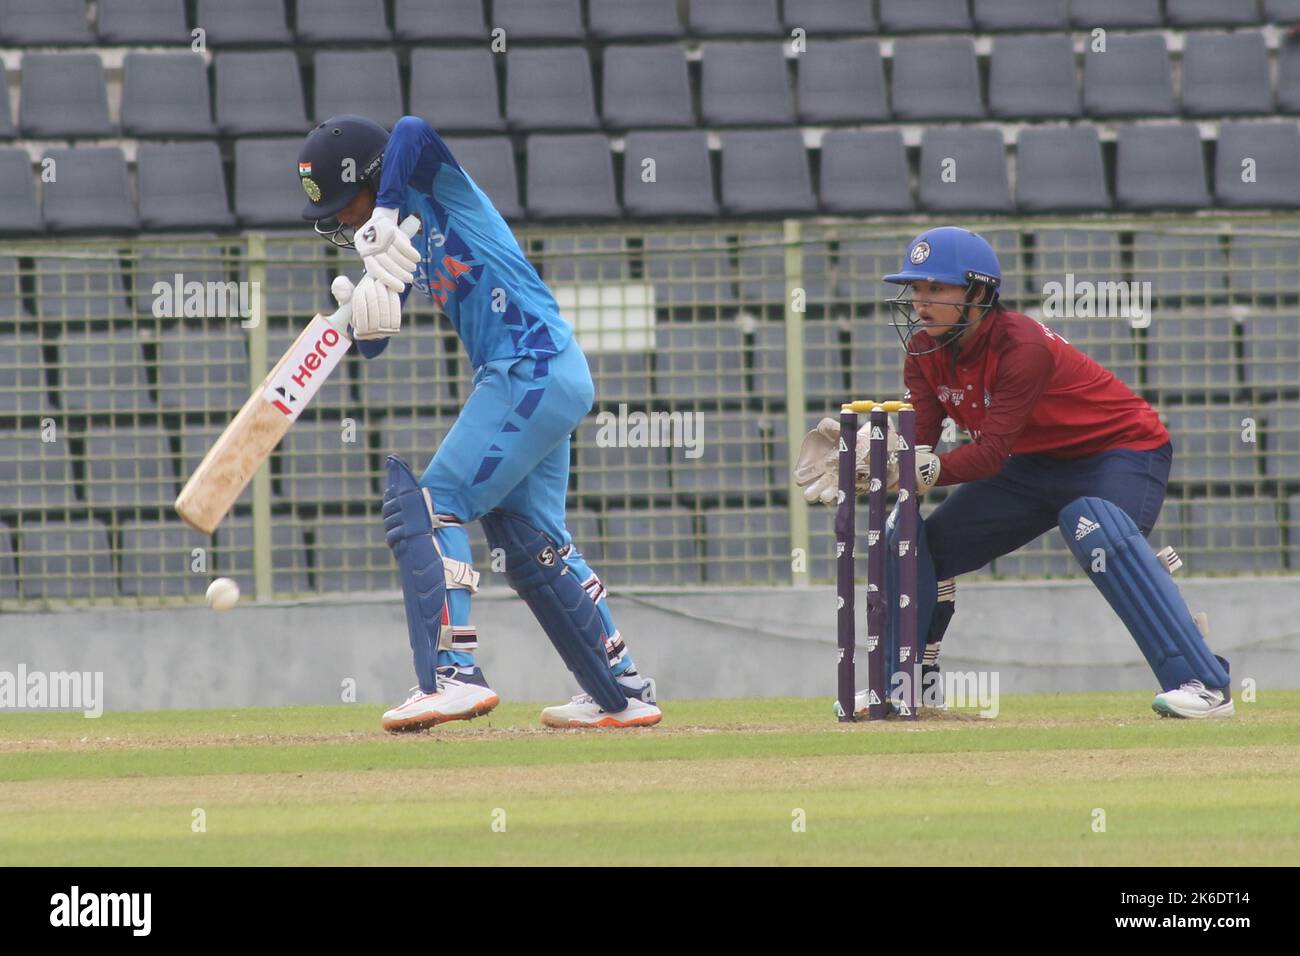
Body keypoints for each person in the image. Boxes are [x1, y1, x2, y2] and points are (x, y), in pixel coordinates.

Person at [296, 114, 661, 731]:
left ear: (372, 178)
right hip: (541, 372)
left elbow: (411, 127)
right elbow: (377, 343)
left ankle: (454, 674)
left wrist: (384, 209)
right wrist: (363, 314)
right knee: (532, 542)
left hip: (529, 366)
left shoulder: (435, 184)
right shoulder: (394, 241)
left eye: (344, 204)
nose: (343, 221)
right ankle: (621, 689)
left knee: (433, 505)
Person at [795, 226, 1234, 719]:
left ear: (978, 293)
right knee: (919, 544)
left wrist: (914, 472)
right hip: (1031, 464)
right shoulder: (923, 354)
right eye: (915, 288)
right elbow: (920, 445)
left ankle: (1205, 684)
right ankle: (905, 686)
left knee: (1096, 528)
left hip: (1118, 451)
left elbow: (987, 456)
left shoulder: (1022, 347)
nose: (920, 301)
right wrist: (882, 466)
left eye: (936, 288)